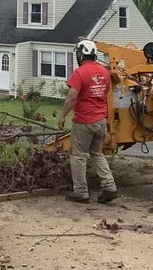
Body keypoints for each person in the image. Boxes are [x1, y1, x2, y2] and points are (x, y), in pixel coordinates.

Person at [57, 38, 118, 204]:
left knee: (78, 156)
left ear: (80, 55)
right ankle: (109, 186)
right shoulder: (104, 72)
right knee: (97, 153)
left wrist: (62, 115)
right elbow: (104, 93)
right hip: (100, 121)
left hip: (84, 121)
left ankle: (81, 192)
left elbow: (72, 98)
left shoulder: (79, 73)